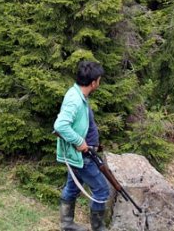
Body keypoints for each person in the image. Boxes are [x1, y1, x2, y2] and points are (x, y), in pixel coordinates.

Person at [54, 61, 109, 231]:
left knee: (72, 187)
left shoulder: (77, 95)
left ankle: (67, 224)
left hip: (80, 156)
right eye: (99, 80)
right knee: (102, 190)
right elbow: (60, 125)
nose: (99, 83)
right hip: (83, 157)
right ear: (93, 82)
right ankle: (98, 228)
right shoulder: (75, 100)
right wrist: (79, 142)